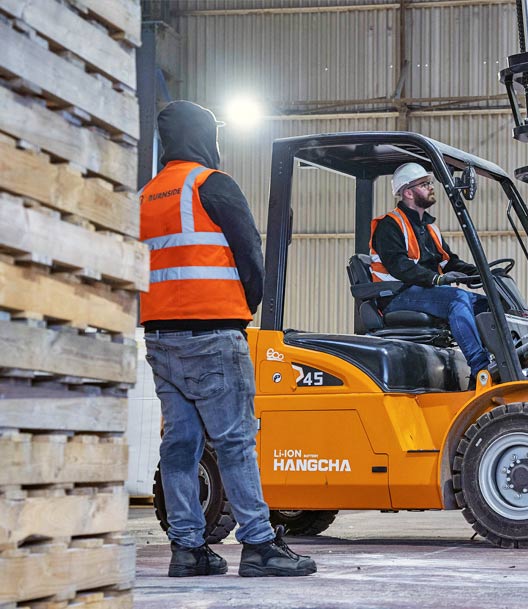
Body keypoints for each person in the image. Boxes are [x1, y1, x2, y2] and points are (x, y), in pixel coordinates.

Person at [140, 100, 316, 578]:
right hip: (214, 334)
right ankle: (259, 544)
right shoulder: (211, 185)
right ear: (204, 136)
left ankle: (187, 549)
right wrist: (246, 308)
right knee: (236, 442)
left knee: (180, 447)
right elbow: (250, 255)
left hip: (160, 339)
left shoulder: (147, 196)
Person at [370, 163, 491, 386]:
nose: (430, 188)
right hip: (397, 295)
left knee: (488, 304)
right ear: (408, 192)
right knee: (457, 298)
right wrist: (436, 279)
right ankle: (481, 370)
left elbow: (449, 261)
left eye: (429, 183)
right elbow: (399, 266)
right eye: (424, 184)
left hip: (424, 291)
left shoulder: (429, 227)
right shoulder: (390, 225)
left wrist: (484, 274)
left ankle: (501, 361)